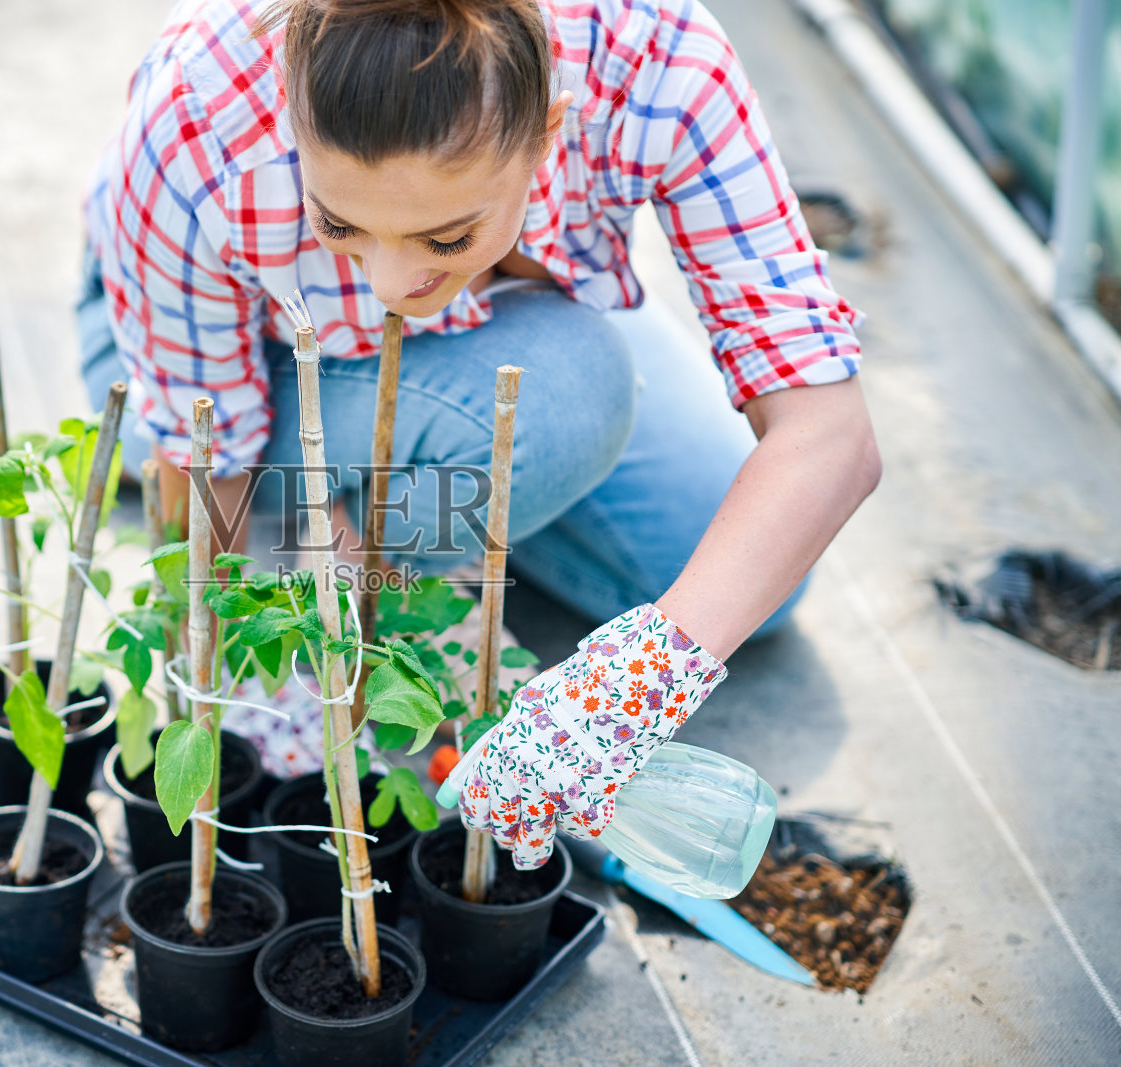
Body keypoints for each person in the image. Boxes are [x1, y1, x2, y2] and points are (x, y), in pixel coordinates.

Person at [80, 0, 880, 865]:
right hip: (251, 360)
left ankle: (469, 501)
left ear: (547, 133)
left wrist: (629, 690)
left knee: (745, 579)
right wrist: (343, 608)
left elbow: (829, 435)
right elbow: (208, 475)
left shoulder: (656, 57)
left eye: (444, 232)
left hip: (517, 334)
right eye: (338, 225)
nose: (389, 283)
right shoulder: (199, 114)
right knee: (563, 397)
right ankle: (427, 544)